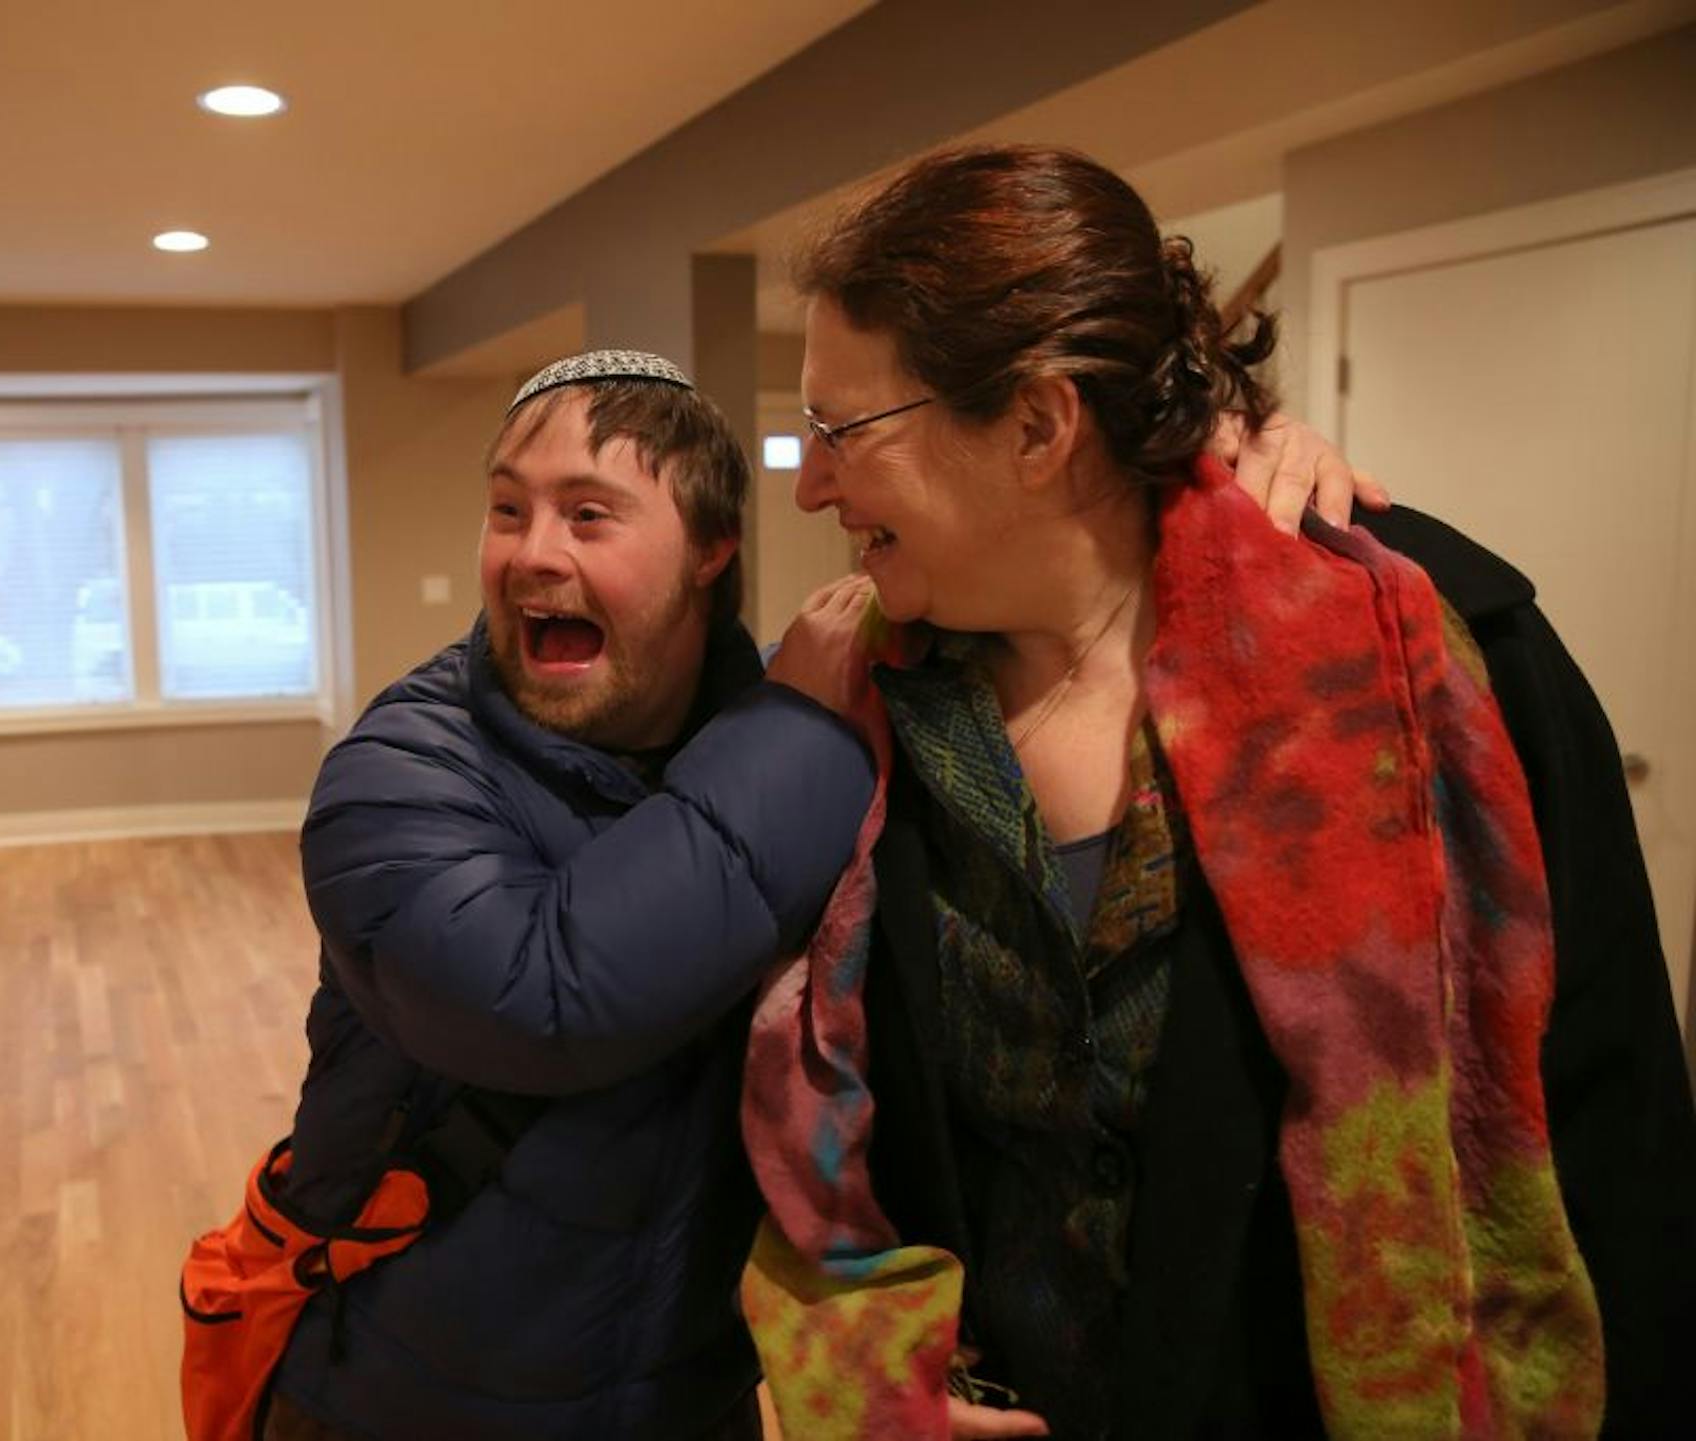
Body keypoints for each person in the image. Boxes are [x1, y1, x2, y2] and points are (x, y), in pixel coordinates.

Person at [739, 142, 1696, 1441]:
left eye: (847, 431)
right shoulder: (852, 719)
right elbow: (820, 1138)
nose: (812, 481)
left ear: (1035, 423)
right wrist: (881, 1384)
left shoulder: (1424, 661)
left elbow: (1611, 1124)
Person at [256, 349, 1372, 1441]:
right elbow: (546, 995)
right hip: (400, 1400)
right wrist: (792, 729)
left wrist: (1210, 468)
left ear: (710, 548)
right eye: (509, 511)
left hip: (692, 1402)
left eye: (588, 515)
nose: (531, 553)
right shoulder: (401, 773)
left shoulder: (812, 724)